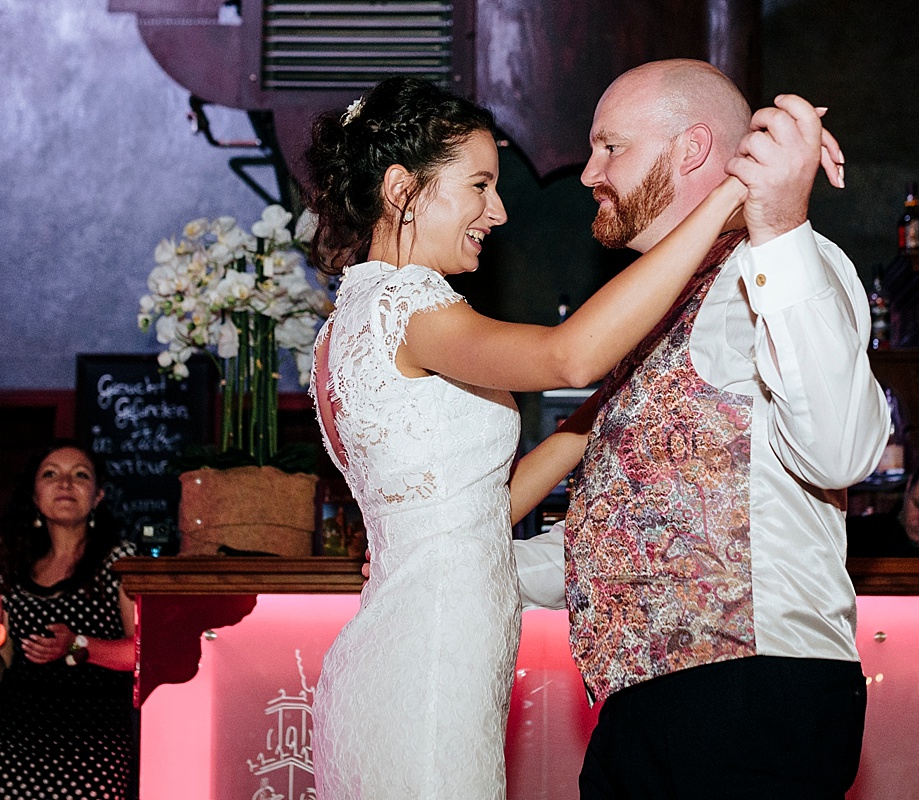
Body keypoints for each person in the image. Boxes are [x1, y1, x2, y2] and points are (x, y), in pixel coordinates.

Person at [304, 76, 843, 798]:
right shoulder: (408, 305)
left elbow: (476, 509)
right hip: (433, 657)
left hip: (410, 638)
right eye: (479, 186)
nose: (498, 212)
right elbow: (568, 354)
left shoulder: (348, 323)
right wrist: (732, 195)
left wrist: (615, 402)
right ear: (402, 189)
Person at [514, 59, 889, 799]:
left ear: (689, 149)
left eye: (609, 146)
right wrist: (460, 570)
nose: (588, 171)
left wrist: (780, 229)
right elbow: (629, 530)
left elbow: (842, 452)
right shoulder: (660, 304)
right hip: (651, 705)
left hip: (750, 695)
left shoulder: (782, 265)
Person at [0, 439, 138, 800]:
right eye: (51, 475)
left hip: (90, 750)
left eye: (80, 475)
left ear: (98, 497)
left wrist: (78, 645)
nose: (65, 484)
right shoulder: (14, 569)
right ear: (34, 495)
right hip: (5, 748)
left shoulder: (119, 560)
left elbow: (145, 652)